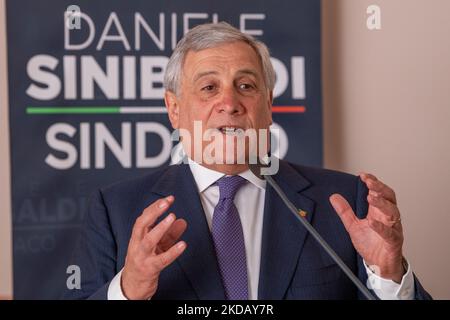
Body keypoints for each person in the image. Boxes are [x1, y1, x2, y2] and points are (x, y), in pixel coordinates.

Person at [64, 22, 431, 300]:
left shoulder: (344, 200)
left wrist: (387, 273)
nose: (230, 103)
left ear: (268, 105)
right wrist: (129, 289)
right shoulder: (116, 209)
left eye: (246, 86)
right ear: (174, 109)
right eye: (209, 88)